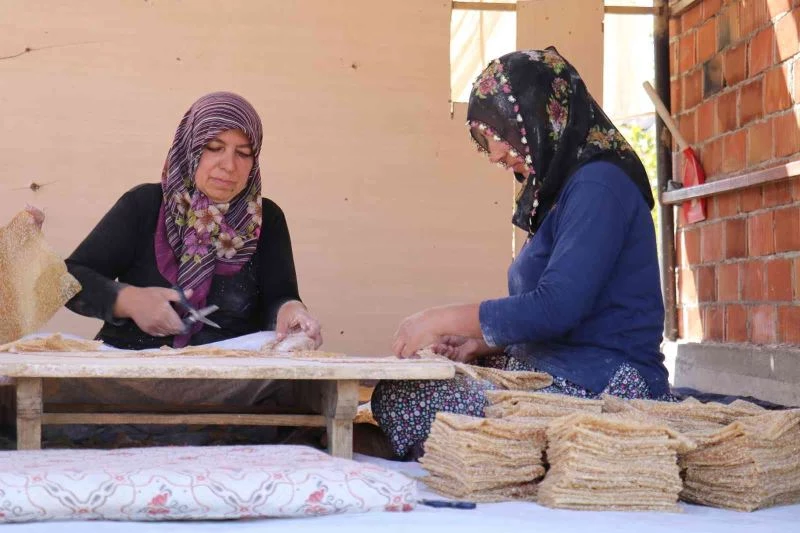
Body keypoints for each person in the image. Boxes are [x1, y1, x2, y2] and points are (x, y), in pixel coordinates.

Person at [371, 48, 672, 460]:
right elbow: (553, 317)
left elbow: (558, 306)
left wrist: (439, 319)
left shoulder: (600, 187)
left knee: (417, 400)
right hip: (561, 370)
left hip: (606, 380)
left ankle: (501, 462)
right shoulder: (560, 193)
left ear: (543, 115)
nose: (495, 153)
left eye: (500, 134)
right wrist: (479, 346)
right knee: (401, 389)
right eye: (487, 141)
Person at [65, 91, 321, 350]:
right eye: (214, 148)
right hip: (132, 372)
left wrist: (292, 311)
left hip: (230, 376)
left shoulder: (266, 219)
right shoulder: (144, 205)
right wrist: (129, 300)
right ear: (189, 147)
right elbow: (70, 280)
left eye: (243, 153)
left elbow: (280, 297)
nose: (229, 165)